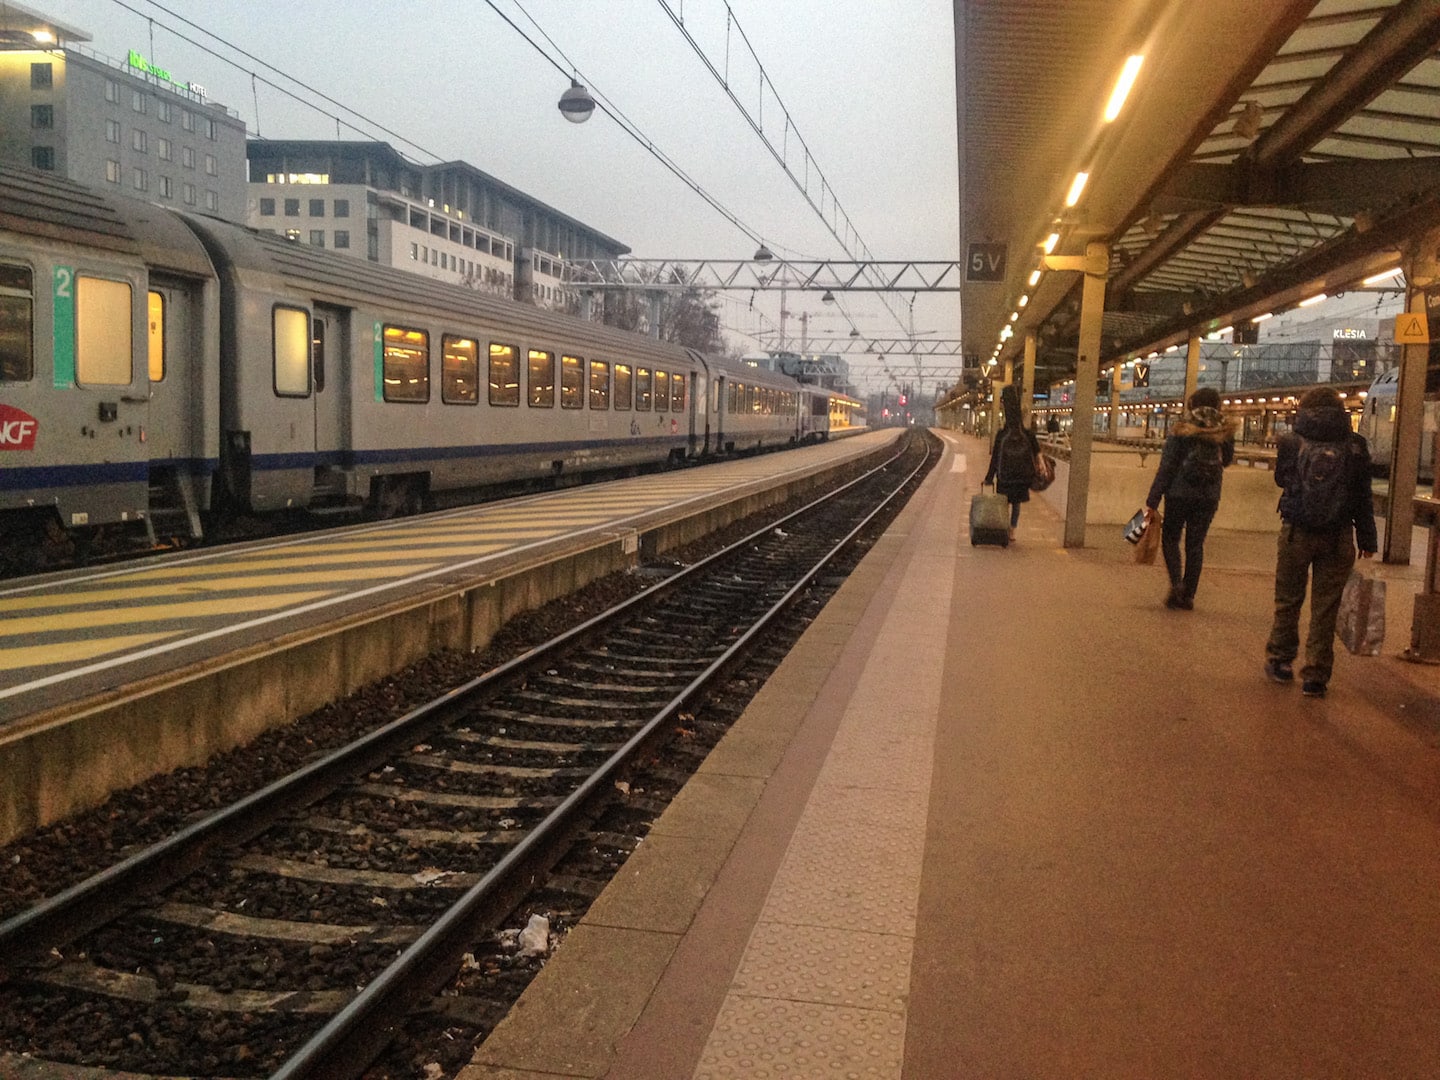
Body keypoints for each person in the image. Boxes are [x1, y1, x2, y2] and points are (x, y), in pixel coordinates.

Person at [1263, 385, 1377, 698]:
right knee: (1325, 608)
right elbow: (1362, 497)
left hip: (1296, 531)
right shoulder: (1355, 446)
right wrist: (1367, 538)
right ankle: (1315, 674)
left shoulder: (1291, 441)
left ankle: (1281, 661)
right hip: (1338, 536)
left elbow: (1282, 479)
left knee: (1288, 600)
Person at [1143, 386, 1236, 610]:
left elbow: (1168, 465)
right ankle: (1189, 594)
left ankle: (1177, 584)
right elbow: (1227, 461)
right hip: (1209, 495)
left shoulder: (1182, 428)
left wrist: (1153, 499)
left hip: (1178, 493)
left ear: (1192, 404)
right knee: (1196, 544)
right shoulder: (1224, 430)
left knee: (1171, 538)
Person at [982, 384, 1040, 542]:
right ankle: (1012, 530)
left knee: (1004, 502)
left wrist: (989, 478)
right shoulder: (1027, 434)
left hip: (1005, 475)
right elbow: (1037, 451)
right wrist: (1039, 465)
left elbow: (995, 459)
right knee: (1016, 503)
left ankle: (1003, 525)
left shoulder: (1002, 435)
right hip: (1021, 476)